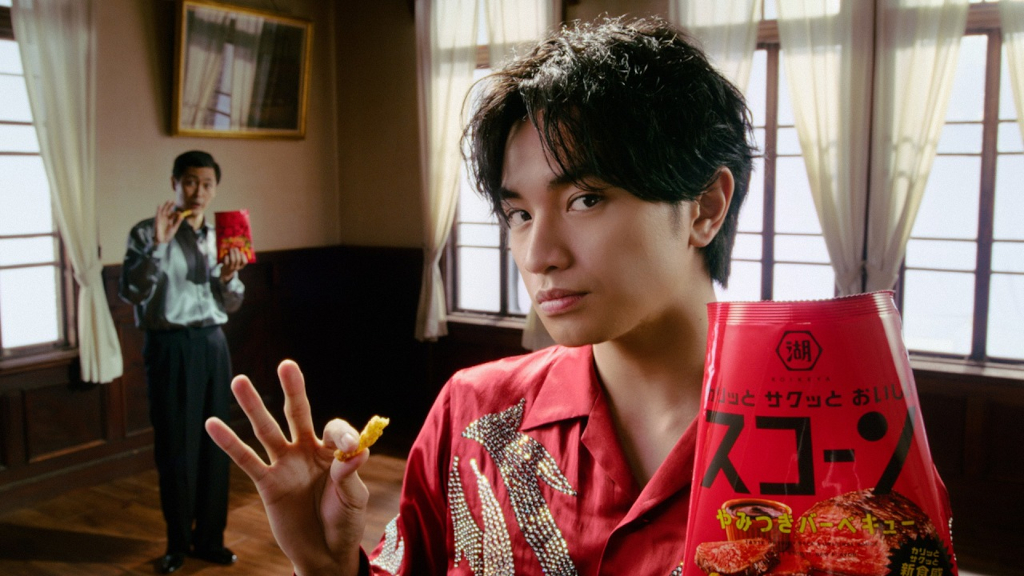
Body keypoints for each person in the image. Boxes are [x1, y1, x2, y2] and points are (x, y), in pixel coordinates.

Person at [206, 16, 753, 576]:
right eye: (518, 214)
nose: (538, 256)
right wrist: (327, 565)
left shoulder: (808, 440)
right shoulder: (473, 414)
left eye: (586, 199)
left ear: (705, 207)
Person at [119, 150, 249, 574]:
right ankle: (177, 542)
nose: (198, 192)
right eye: (190, 182)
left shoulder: (223, 236)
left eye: (207, 184)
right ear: (174, 182)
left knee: (217, 442)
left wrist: (228, 278)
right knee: (175, 446)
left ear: (215, 189)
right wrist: (158, 246)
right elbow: (131, 291)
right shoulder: (146, 232)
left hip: (212, 344)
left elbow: (231, 302)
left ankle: (210, 539)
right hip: (168, 346)